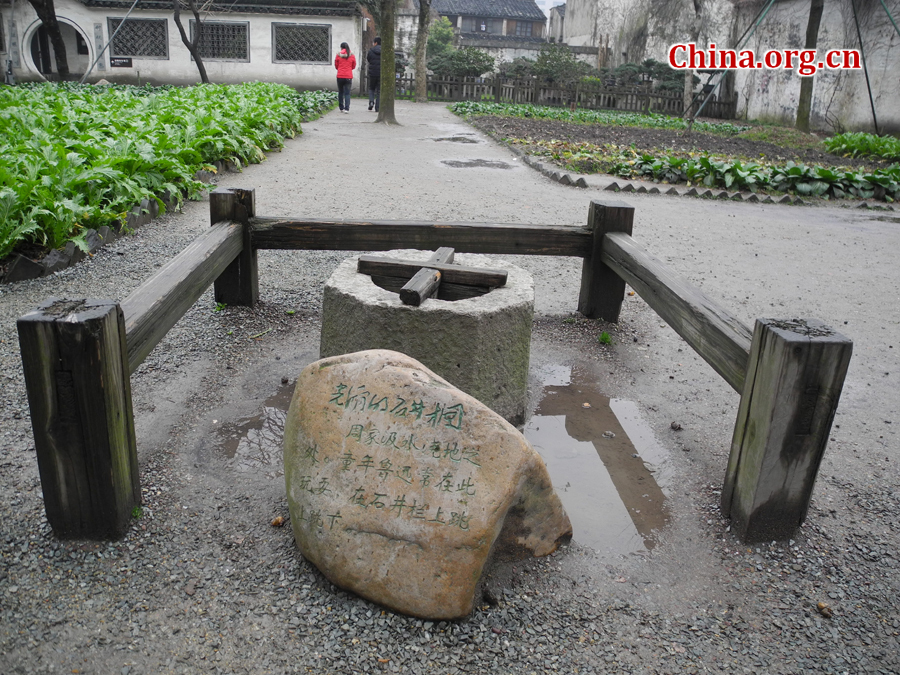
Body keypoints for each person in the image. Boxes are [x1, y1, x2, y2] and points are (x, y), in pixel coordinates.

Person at [334, 42, 356, 114]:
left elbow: (336, 65)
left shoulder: (338, 55)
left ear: (341, 48)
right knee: (347, 93)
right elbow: (353, 65)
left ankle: (341, 107)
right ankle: (347, 108)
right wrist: (349, 69)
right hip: (348, 76)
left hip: (340, 76)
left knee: (340, 92)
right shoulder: (352, 55)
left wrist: (340, 69)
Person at [366, 37, 382, 112]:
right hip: (380, 73)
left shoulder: (371, 51)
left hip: (372, 72)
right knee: (379, 91)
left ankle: (371, 102)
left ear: (375, 43)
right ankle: (378, 107)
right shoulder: (384, 51)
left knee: (371, 88)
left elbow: (368, 59)